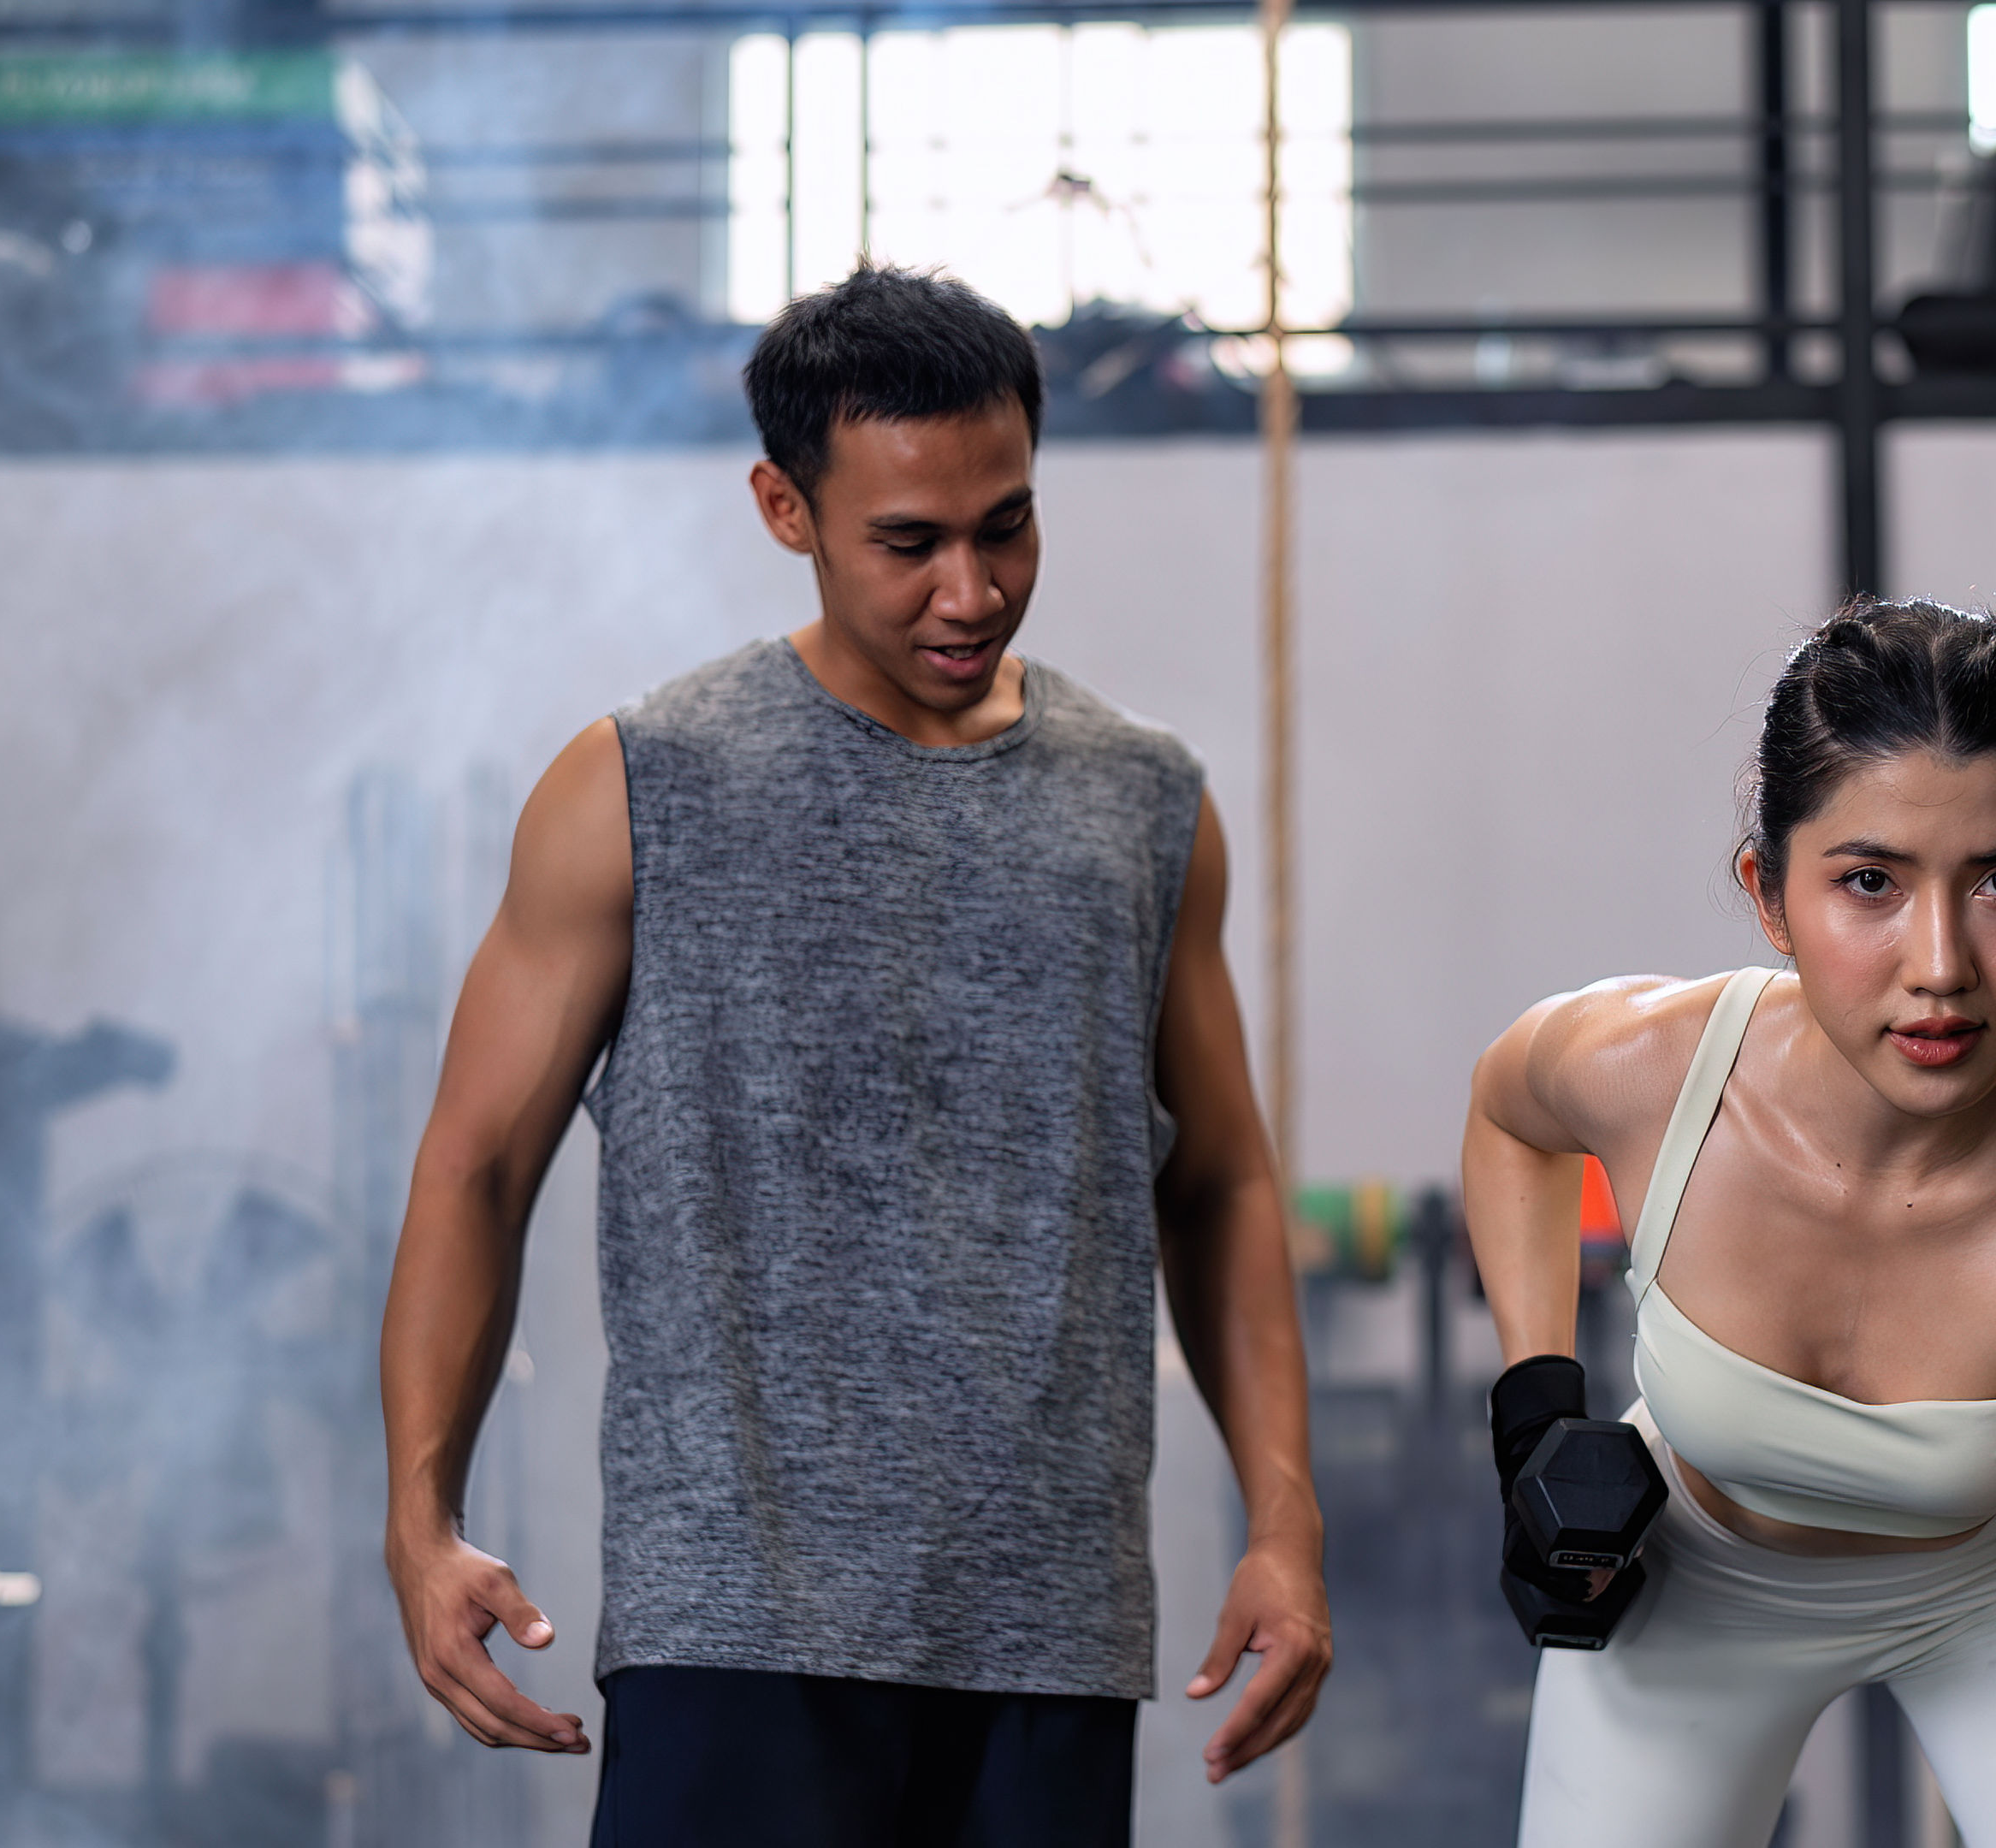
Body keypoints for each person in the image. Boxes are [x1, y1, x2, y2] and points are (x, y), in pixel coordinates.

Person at [377, 264, 1330, 1845]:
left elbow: (1219, 1183)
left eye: (1006, 526)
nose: (970, 591)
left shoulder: (1143, 804)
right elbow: (475, 1167)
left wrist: (1284, 1524)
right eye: (909, 544)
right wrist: (421, 1520)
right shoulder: (641, 786)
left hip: (1048, 1630)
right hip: (736, 1625)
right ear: (785, 508)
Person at [1463, 598, 1996, 1848]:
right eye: (1870, 883)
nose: (1940, 963)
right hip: (1699, 1589)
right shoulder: (1652, 1072)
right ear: (1768, 896)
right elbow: (1507, 1120)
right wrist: (1535, 1405)